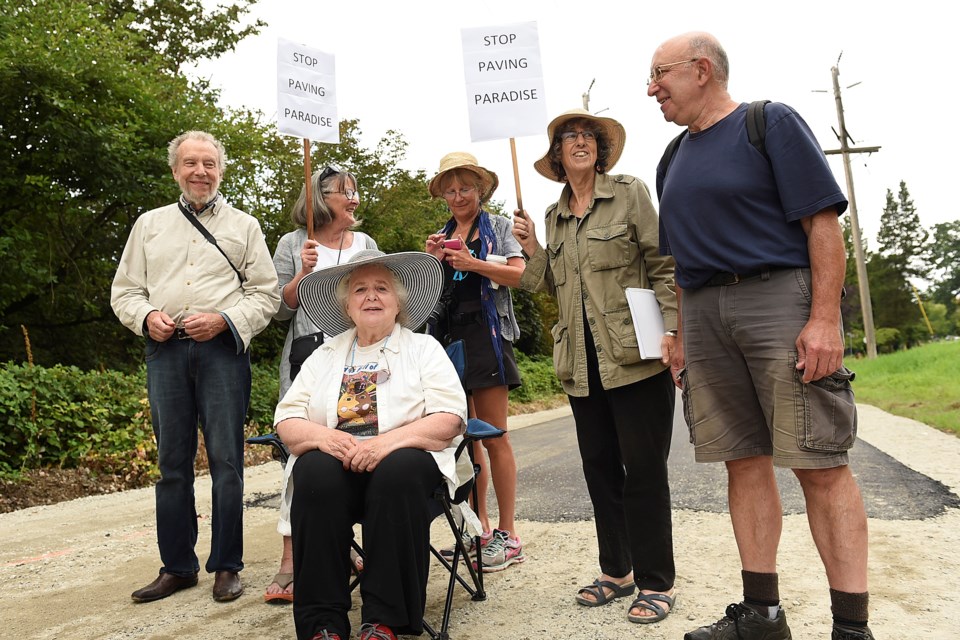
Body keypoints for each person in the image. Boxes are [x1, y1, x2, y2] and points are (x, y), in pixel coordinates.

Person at [646, 32, 872, 640]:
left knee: (819, 461)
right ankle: (761, 616)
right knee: (743, 462)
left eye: (659, 74)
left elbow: (822, 226)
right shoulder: (671, 157)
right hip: (705, 312)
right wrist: (683, 334)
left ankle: (852, 628)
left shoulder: (768, 123)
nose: (651, 88)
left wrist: (825, 317)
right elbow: (683, 263)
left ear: (701, 70)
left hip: (779, 297)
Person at [512, 109, 679, 624]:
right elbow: (543, 284)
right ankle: (617, 571)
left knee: (643, 470)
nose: (580, 143)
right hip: (581, 364)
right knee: (599, 468)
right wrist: (531, 249)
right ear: (557, 157)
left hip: (635, 356)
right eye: (569, 139)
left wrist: (674, 330)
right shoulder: (552, 215)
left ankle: (656, 582)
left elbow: (663, 264)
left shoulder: (628, 192)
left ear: (600, 152)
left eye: (588, 137)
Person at [111, 131, 280, 603]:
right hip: (165, 353)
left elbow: (265, 293)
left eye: (209, 163)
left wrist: (225, 320)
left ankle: (227, 565)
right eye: (190, 163)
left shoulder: (245, 226)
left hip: (222, 352)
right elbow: (124, 290)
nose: (200, 172)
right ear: (175, 171)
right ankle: (178, 567)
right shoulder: (148, 225)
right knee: (171, 465)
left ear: (220, 170)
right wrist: (146, 318)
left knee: (227, 462)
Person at [274, 250, 468, 640]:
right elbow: (287, 420)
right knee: (312, 472)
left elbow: (450, 418)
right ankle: (322, 625)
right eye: (360, 289)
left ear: (399, 301)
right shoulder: (324, 354)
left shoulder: (424, 349)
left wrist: (385, 445)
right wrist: (327, 439)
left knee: (398, 472)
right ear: (347, 305)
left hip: (405, 465)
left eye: (382, 288)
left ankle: (384, 621)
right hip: (340, 465)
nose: (371, 296)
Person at [265, 166, 377, 603]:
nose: (352, 197)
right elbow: (277, 309)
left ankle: (346, 548)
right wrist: (300, 276)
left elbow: (385, 297)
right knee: (304, 453)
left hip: (360, 364)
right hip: (309, 362)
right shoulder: (294, 243)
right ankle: (291, 559)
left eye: (354, 190)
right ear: (318, 195)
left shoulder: (365, 246)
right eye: (342, 191)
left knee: (356, 446)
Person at [424, 151, 525, 572]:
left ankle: (508, 533)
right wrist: (429, 261)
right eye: (450, 189)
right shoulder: (442, 232)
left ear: (481, 188)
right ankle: (477, 528)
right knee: (467, 438)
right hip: (450, 341)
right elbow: (425, 295)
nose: (457, 195)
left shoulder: (499, 227)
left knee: (495, 434)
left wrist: (472, 263)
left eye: (465, 186)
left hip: (487, 336)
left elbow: (518, 273)